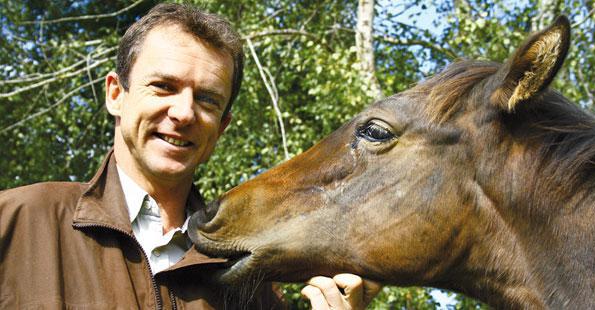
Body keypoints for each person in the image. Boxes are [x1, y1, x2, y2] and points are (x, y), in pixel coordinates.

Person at [0, 3, 380, 309]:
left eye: (207, 99)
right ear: (116, 94)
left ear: (222, 126)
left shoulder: (250, 285)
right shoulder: (18, 224)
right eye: (163, 86)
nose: (183, 113)